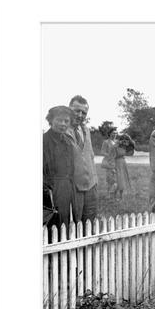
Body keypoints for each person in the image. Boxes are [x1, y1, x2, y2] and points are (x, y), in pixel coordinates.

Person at [66, 95, 98, 223]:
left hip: (91, 186)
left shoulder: (86, 130)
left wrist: (95, 180)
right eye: (76, 111)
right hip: (73, 188)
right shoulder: (61, 130)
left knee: (90, 223)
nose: (80, 115)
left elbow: (90, 156)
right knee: (74, 224)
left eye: (83, 112)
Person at [43, 106, 76, 227]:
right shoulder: (43, 141)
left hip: (66, 186)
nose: (63, 124)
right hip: (50, 188)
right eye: (59, 120)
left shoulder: (68, 140)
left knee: (64, 221)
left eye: (66, 121)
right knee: (51, 221)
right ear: (51, 120)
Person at [100, 124, 119, 198]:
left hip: (117, 162)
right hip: (109, 162)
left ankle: (114, 194)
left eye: (116, 133)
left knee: (117, 179)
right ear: (110, 134)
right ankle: (108, 194)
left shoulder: (118, 142)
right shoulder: (106, 142)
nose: (115, 134)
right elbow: (102, 152)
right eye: (113, 133)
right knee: (110, 179)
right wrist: (109, 155)